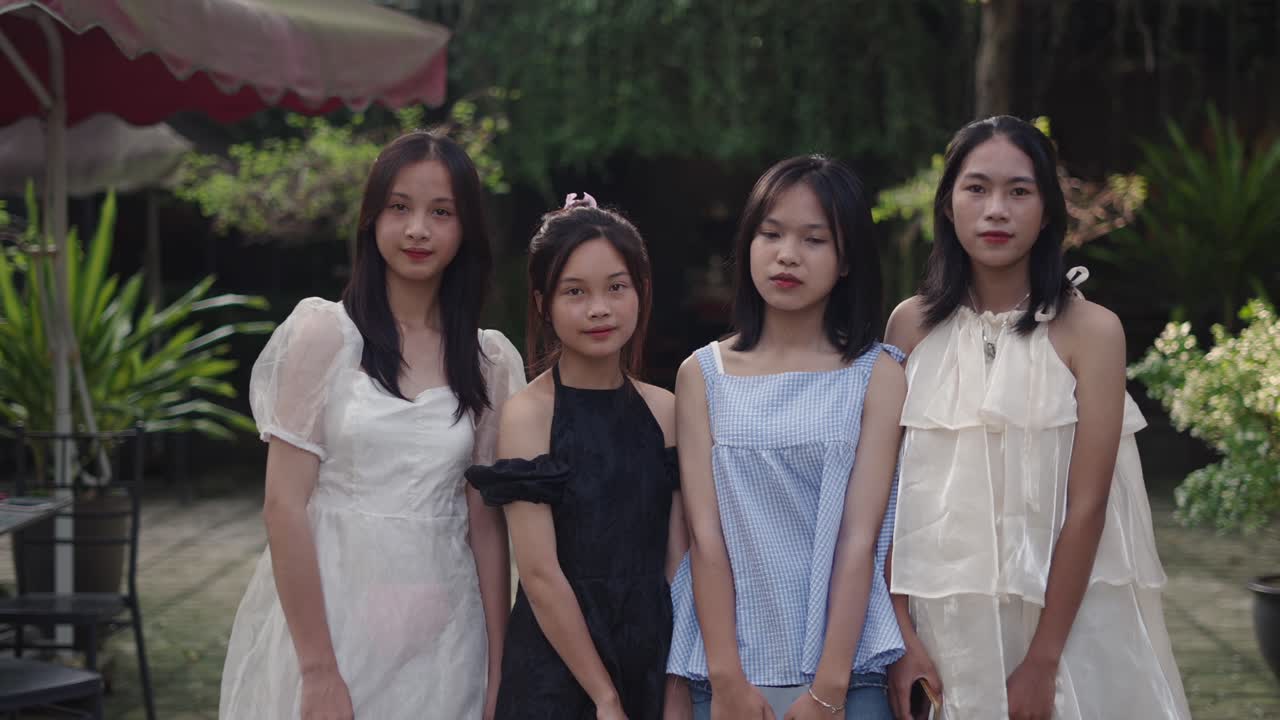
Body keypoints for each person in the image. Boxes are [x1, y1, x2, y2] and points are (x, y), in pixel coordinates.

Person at [884, 115, 1192, 720]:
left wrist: (1044, 661)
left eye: (1019, 191)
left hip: (1070, 622)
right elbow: (890, 498)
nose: (996, 209)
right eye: (976, 188)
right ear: (948, 205)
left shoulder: (1092, 332)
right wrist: (900, 638)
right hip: (942, 624)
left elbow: (1088, 507)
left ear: (1047, 210)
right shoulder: (909, 325)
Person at [220, 130, 523, 720]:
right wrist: (318, 669)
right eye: (400, 208)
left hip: (444, 634)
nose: (418, 230)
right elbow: (283, 505)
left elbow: (485, 528)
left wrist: (497, 667)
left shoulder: (487, 363)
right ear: (371, 219)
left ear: (466, 232)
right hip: (334, 624)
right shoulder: (324, 336)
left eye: (442, 212)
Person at [666, 156, 906, 720]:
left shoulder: (878, 375)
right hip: (725, 677)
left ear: (846, 260)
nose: (787, 255)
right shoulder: (702, 375)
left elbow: (859, 541)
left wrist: (828, 690)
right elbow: (705, 537)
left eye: (814, 239)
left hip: (848, 677)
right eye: (770, 234)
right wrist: (726, 679)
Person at [466, 194, 687, 719]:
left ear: (641, 291)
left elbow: (678, 560)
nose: (599, 309)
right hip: (557, 665)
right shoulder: (528, 415)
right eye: (575, 292)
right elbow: (539, 574)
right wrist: (604, 697)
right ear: (543, 303)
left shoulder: (667, 410)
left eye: (616, 287)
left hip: (653, 655)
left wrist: (677, 681)